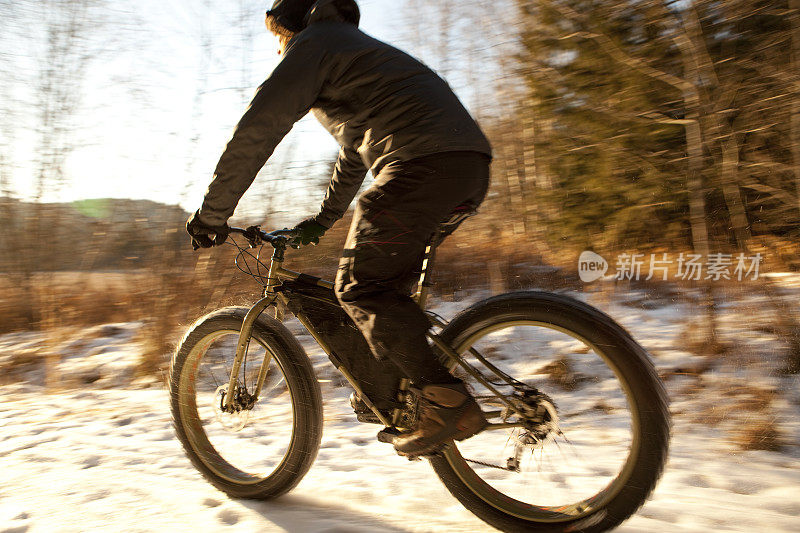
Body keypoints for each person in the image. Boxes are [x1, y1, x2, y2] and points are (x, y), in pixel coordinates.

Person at [185, 0, 492, 457]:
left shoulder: (313, 46)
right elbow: (356, 153)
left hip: (420, 165)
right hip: (468, 167)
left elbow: (257, 128)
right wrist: (322, 222)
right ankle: (395, 393)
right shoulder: (359, 52)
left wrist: (213, 214)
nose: (278, 50)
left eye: (277, 38)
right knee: (385, 291)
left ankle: (445, 402)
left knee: (358, 288)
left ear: (293, 26)